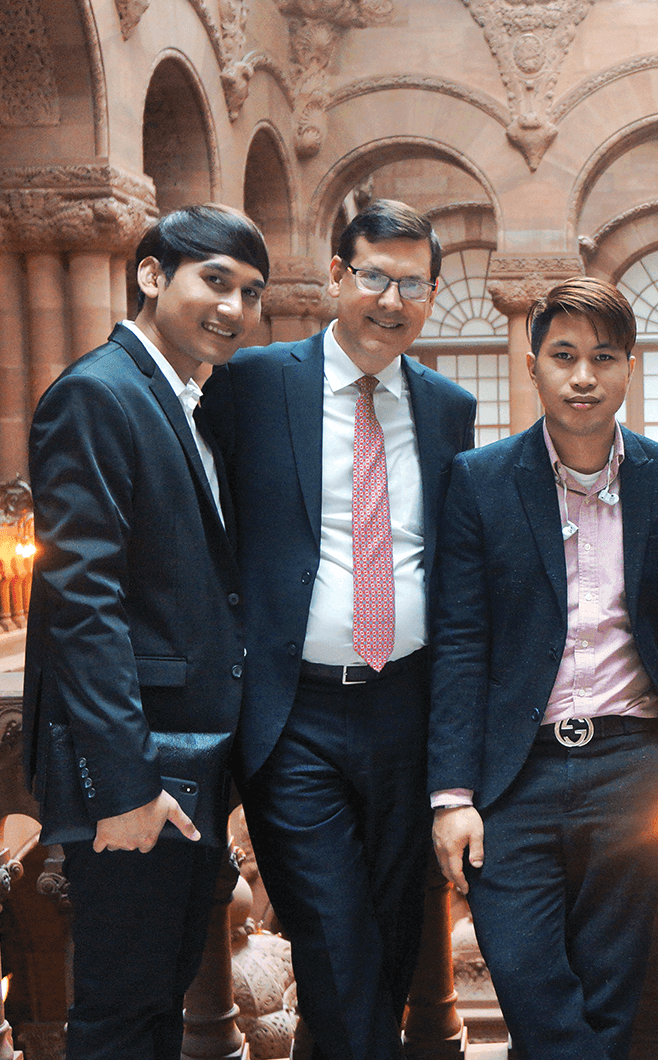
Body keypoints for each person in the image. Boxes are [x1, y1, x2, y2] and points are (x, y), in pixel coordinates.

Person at [427, 277, 658, 1059]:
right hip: (513, 774)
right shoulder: (481, 480)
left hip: (629, 763)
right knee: (533, 989)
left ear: (630, 367)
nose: (583, 376)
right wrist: (452, 793)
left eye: (602, 357)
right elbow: (460, 643)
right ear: (533, 365)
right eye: (564, 355)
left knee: (610, 992)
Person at [201, 199, 477, 1060]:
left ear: (433, 293)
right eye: (374, 278)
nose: (392, 300)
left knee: (393, 936)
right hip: (295, 717)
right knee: (329, 929)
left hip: (409, 708)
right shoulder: (254, 383)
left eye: (414, 284)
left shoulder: (447, 407)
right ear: (334, 276)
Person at [23, 203, 269, 1060]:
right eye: (215, 281)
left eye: (251, 293)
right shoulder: (98, 394)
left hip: (191, 765)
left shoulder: (189, 401)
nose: (234, 309)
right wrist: (123, 785)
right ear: (152, 274)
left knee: (157, 1005)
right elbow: (83, 605)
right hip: (133, 778)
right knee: (121, 1018)